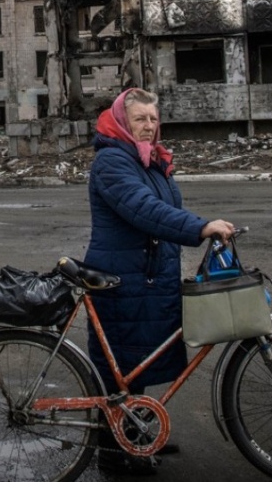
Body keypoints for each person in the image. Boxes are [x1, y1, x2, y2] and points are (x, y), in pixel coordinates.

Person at [84, 88, 235, 477]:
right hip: (122, 280)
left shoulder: (147, 160)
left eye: (153, 119)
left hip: (147, 276)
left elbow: (166, 209)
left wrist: (201, 226)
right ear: (122, 122)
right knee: (120, 367)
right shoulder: (112, 162)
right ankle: (114, 452)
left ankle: (136, 432)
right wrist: (200, 227)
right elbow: (144, 209)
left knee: (136, 364)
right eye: (140, 119)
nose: (149, 126)